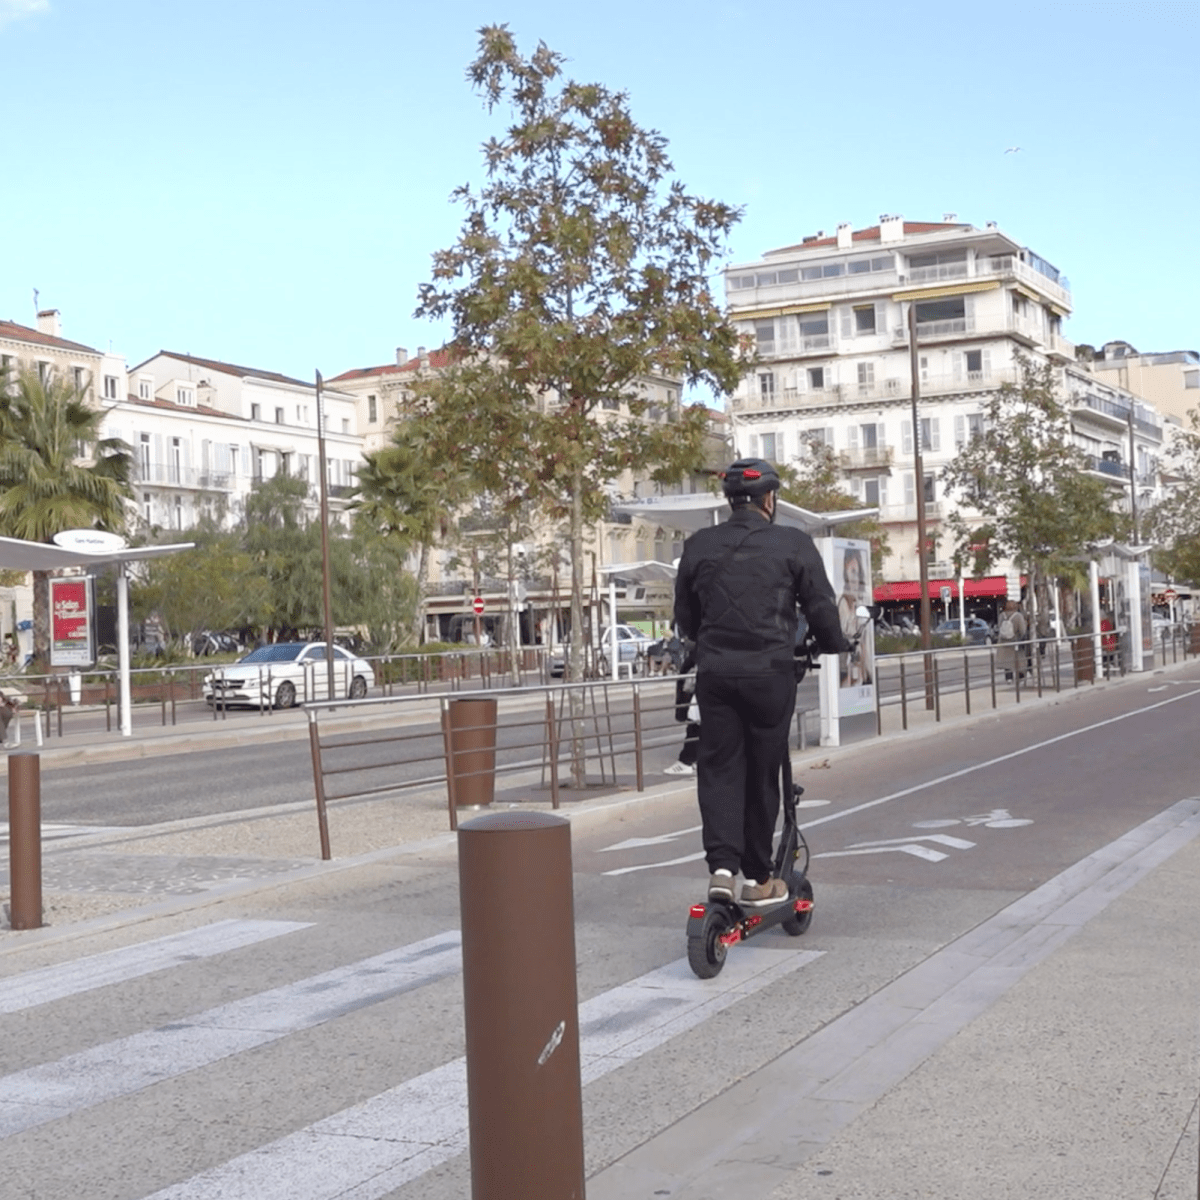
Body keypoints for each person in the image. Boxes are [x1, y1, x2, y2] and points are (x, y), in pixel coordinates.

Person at [674, 458, 852, 907]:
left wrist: (711, 641)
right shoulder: (793, 544)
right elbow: (820, 606)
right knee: (761, 770)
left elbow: (685, 619)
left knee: (718, 767)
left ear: (731, 500)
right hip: (770, 674)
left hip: (715, 674)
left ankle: (720, 869)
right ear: (769, 499)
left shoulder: (699, 545)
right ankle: (758, 876)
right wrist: (834, 643)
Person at [837, 547, 873, 686]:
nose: (854, 578)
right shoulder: (843, 604)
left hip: (859, 669)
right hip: (846, 668)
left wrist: (865, 672)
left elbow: (863, 643)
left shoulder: (859, 603)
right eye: (851, 572)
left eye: (856, 573)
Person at [996, 599, 1028, 681]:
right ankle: (1021, 677)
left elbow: (999, 627)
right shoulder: (1018, 616)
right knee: (1019, 660)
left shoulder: (1001, 616)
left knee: (1007, 662)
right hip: (1015, 642)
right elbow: (1022, 631)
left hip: (1003, 643)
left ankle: (1008, 678)